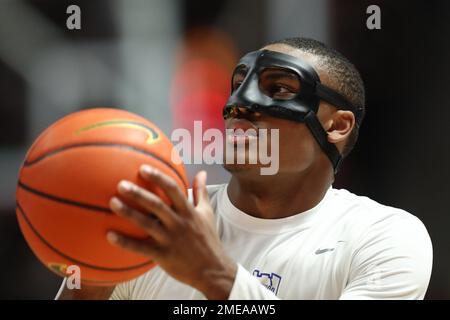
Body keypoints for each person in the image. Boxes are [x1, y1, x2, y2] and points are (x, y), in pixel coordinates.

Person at [56, 37, 432, 300]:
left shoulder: (383, 236)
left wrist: (213, 274)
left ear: (337, 125)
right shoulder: (156, 222)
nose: (238, 104)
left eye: (279, 88)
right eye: (238, 85)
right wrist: (90, 275)